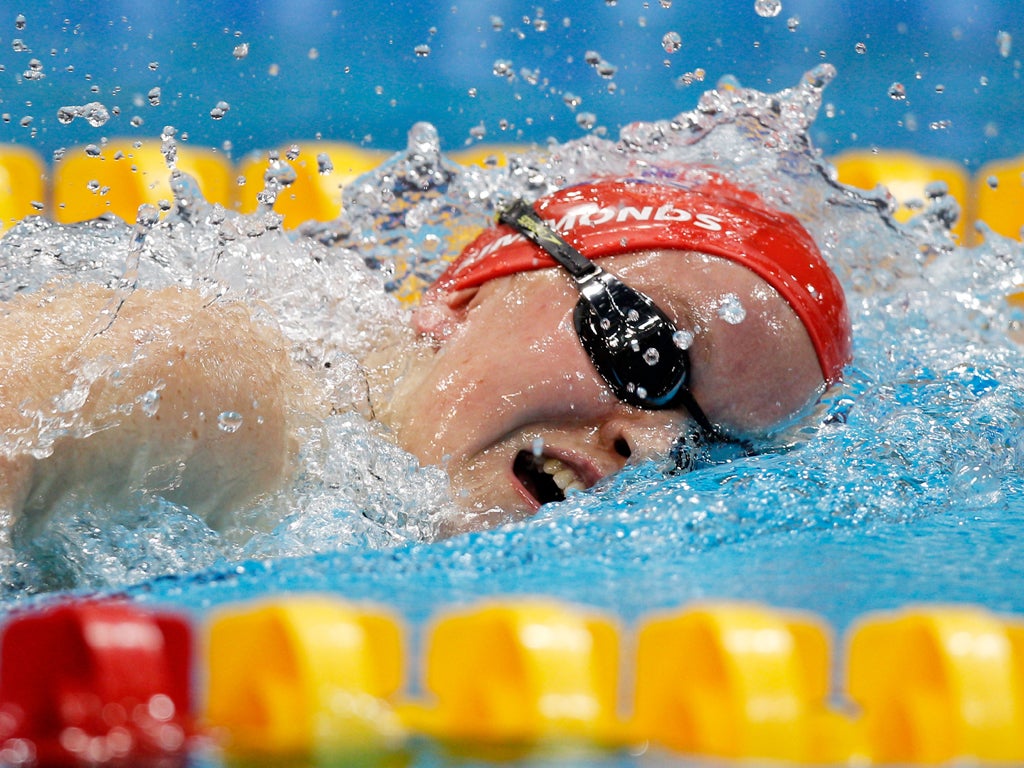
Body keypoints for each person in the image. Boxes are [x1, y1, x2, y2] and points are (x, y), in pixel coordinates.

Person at [0, 165, 851, 540]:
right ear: (466, 290)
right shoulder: (215, 387)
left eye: (709, 451)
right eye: (645, 348)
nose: (656, 445)